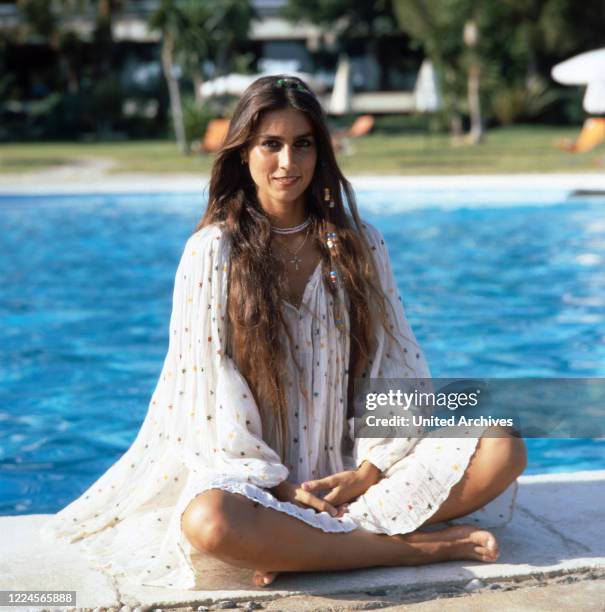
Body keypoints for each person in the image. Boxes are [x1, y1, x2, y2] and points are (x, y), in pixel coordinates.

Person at [40, 75, 527, 590]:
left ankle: (303, 546)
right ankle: (405, 549)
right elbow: (206, 393)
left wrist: (370, 471)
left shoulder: (362, 245)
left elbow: (395, 366)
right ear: (243, 152)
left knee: (503, 444)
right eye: (270, 144)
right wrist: (279, 487)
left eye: (302, 144)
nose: (287, 163)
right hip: (251, 480)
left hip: (349, 474)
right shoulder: (213, 253)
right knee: (211, 522)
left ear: (320, 151)